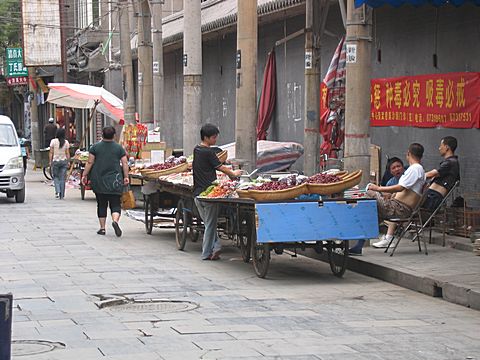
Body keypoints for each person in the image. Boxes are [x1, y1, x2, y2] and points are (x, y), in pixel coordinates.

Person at [350, 143, 426, 255]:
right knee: (371, 217)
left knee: (370, 191)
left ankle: (353, 212)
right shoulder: (416, 169)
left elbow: (400, 188)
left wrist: (378, 188)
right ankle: (358, 246)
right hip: (394, 206)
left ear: (408, 154)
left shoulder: (415, 169)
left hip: (399, 208)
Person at [193, 124, 242, 260]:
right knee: (210, 225)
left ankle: (217, 246)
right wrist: (234, 173)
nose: (215, 140)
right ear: (206, 137)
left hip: (197, 194)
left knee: (208, 224)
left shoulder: (197, 150)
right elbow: (221, 168)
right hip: (208, 195)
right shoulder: (208, 152)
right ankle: (206, 253)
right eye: (214, 137)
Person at [81, 126, 129, 237]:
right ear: (114, 135)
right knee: (115, 203)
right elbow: (125, 163)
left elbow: (90, 162)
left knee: (101, 204)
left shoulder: (95, 147)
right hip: (115, 180)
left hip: (99, 179)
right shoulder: (119, 148)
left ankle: (102, 228)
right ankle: (115, 221)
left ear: (102, 134)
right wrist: (126, 176)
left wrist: (84, 175)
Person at [424, 136, 460, 211]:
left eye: (441, 146)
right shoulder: (451, 162)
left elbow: (432, 174)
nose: (439, 148)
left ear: (446, 147)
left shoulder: (450, 162)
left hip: (433, 196)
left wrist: (417, 176)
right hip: (432, 195)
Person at [49, 128, 70, 199]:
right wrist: (69, 161)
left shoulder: (53, 141)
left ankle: (57, 191)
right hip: (64, 161)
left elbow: (51, 152)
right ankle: (62, 195)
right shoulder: (66, 142)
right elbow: (67, 153)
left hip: (55, 161)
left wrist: (50, 161)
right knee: (62, 179)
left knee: (56, 177)